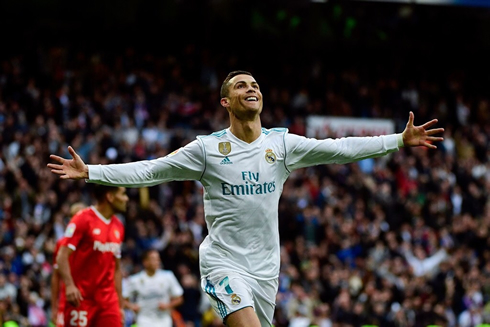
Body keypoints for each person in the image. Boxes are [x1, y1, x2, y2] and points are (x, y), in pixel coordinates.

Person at [48, 70, 444, 327]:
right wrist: (92, 172)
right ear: (226, 103)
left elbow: (340, 148)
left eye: (255, 85)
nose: (251, 88)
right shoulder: (206, 149)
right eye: (241, 86)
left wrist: (398, 140)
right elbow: (152, 170)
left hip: (265, 269)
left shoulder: (282, 145)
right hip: (223, 262)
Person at [56, 185, 127, 327]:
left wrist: (120, 305)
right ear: (110, 197)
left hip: (108, 302)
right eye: (123, 194)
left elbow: (117, 269)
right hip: (82, 299)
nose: (126, 198)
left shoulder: (118, 226)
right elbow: (61, 256)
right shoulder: (82, 219)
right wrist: (69, 286)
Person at [123, 249, 184, 327]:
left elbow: (179, 298)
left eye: (158, 259)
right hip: (144, 320)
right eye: (153, 259)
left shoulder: (168, 276)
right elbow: (123, 300)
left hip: (163, 320)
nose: (157, 262)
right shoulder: (135, 280)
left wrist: (167, 305)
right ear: (145, 262)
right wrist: (132, 306)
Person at [51, 202, 87, 327]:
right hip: (67, 301)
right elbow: (56, 276)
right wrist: (54, 307)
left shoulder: (95, 242)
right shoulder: (62, 244)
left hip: (90, 300)